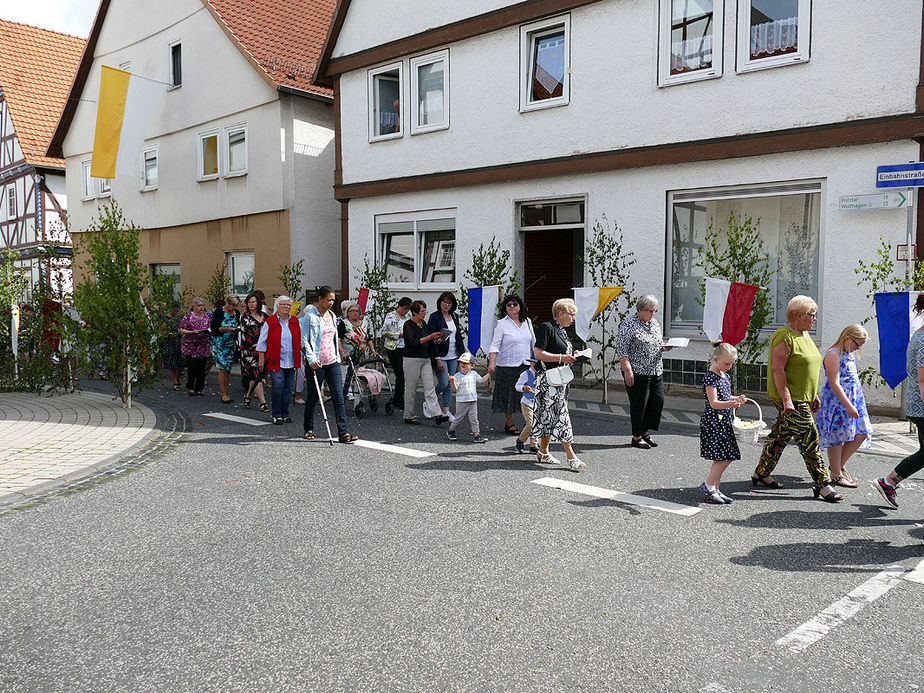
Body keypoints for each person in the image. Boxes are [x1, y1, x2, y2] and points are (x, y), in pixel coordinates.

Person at [752, 295, 842, 502]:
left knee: (780, 436)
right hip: (791, 398)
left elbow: (807, 367)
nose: (814, 319)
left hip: (804, 396)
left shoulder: (805, 334)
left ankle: (761, 472)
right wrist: (786, 400)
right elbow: (777, 370)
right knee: (810, 438)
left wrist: (815, 394)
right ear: (798, 315)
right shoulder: (784, 336)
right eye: (812, 315)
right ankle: (823, 484)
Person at [875, 294, 924, 509]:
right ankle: (888, 482)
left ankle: (889, 482)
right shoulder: (922, 342)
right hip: (921, 405)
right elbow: (923, 380)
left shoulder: (919, 335)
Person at [532, 298, 585, 471]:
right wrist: (562, 357)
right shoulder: (547, 327)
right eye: (572, 314)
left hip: (559, 381)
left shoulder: (561, 330)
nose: (574, 318)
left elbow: (559, 351)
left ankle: (543, 451)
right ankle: (571, 456)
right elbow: (538, 353)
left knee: (550, 417)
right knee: (562, 417)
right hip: (549, 382)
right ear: (560, 314)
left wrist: (574, 354)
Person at [817, 324, 873, 488]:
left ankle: (838, 466)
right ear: (847, 338)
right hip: (838, 401)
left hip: (854, 400)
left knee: (862, 431)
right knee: (837, 436)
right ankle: (836, 473)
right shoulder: (834, 354)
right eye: (857, 344)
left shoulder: (848, 353)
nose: (858, 348)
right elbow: (835, 383)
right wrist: (848, 405)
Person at [302, 286, 358, 443]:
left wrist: (338, 353)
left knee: (338, 396)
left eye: (333, 300)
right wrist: (311, 359)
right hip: (317, 362)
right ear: (320, 299)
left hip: (332, 361)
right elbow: (305, 339)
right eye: (329, 300)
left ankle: (343, 432)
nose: (331, 302)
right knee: (313, 396)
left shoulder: (332, 315)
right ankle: (309, 428)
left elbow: (335, 338)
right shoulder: (310, 316)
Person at [616, 294, 672, 449]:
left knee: (657, 401)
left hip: (656, 369)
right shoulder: (629, 324)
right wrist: (628, 370)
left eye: (655, 311)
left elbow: (657, 342)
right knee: (639, 405)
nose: (653, 314)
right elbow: (622, 349)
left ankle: (645, 432)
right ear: (639, 309)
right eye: (650, 311)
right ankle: (636, 436)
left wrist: (665, 347)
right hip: (637, 371)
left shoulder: (654, 323)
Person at [699, 342, 747, 504]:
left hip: (722, 421)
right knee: (725, 456)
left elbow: (725, 398)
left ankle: (716, 489)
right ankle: (709, 485)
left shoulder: (724, 376)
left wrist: (736, 399)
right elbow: (714, 403)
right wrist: (731, 404)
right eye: (727, 363)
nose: (729, 366)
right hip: (713, 421)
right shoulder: (710, 377)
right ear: (715, 359)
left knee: (721, 456)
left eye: (732, 363)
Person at [488, 294, 535, 435]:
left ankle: (530, 423)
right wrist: (492, 363)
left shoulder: (527, 321)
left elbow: (533, 342)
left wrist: (537, 360)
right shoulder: (502, 323)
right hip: (507, 365)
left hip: (526, 364)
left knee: (528, 394)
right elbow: (494, 346)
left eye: (515, 304)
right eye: (509, 305)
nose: (512, 307)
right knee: (508, 396)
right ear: (505, 308)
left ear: (520, 306)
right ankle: (509, 423)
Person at [402, 300, 447, 425]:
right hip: (411, 359)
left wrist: (437, 340)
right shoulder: (408, 325)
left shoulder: (424, 324)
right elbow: (412, 342)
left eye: (425, 310)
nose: (424, 313)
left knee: (430, 387)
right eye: (422, 311)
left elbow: (428, 342)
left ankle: (437, 414)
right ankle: (408, 415)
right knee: (411, 388)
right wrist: (430, 337)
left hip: (425, 358)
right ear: (415, 312)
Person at [257, 295, 301, 424]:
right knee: (278, 386)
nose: (286, 307)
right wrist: (261, 358)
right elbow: (262, 341)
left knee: (288, 388)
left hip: (291, 360)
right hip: (275, 360)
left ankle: (285, 413)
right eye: (283, 304)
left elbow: (299, 341)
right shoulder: (270, 322)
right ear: (277, 306)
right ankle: (276, 414)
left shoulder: (294, 321)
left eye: (288, 305)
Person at [428, 291, 465, 420]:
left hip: (453, 354)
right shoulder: (434, 317)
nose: (446, 304)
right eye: (444, 302)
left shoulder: (455, 316)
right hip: (440, 355)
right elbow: (432, 340)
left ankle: (446, 411)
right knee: (443, 383)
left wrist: (463, 354)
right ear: (440, 302)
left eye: (449, 302)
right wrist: (437, 358)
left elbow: (458, 336)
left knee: (450, 383)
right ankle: (429, 402)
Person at [446, 352, 490, 443]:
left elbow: (482, 380)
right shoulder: (457, 376)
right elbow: (455, 389)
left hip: (473, 401)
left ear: (472, 365)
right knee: (458, 418)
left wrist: (489, 373)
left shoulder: (473, 374)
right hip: (462, 401)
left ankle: (477, 435)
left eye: (466, 363)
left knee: (474, 419)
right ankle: (451, 430)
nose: (463, 364)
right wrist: (452, 381)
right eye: (461, 362)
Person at [339, 300, 375, 403]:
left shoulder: (364, 323)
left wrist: (373, 350)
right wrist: (341, 352)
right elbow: (339, 339)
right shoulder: (344, 323)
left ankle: (358, 403)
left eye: (357, 311)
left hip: (361, 356)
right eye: (352, 311)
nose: (355, 313)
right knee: (346, 379)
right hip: (348, 356)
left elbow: (368, 338)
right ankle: (342, 398)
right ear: (348, 313)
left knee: (360, 379)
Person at [239, 292, 268, 412]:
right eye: (249, 302)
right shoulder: (244, 317)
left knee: (255, 376)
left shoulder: (265, 316)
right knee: (256, 374)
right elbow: (246, 335)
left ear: (258, 303)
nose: (251, 304)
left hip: (263, 350)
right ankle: (263, 402)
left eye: (253, 302)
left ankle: (247, 396)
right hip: (249, 351)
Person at [382, 297, 412, 410]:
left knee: (404, 374)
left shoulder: (408, 317)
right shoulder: (391, 316)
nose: (406, 311)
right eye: (405, 308)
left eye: (408, 309)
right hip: (393, 348)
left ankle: (398, 397)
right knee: (400, 374)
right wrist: (398, 335)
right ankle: (398, 400)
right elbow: (384, 331)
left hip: (405, 347)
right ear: (399, 306)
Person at [178, 297, 211, 396]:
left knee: (202, 368)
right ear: (194, 306)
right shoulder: (188, 317)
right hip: (191, 346)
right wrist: (191, 332)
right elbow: (181, 329)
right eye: (199, 305)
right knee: (193, 367)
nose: (201, 308)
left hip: (203, 345)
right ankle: (191, 387)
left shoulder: (206, 318)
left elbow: (209, 328)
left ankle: (199, 388)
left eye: (202, 305)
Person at [211, 295, 240, 404]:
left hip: (230, 344)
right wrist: (227, 329)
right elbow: (214, 328)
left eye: (235, 306)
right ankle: (223, 393)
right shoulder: (219, 312)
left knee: (228, 369)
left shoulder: (236, 313)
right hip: (219, 343)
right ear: (227, 303)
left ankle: (226, 391)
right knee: (222, 368)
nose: (233, 308)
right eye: (232, 305)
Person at [514, 358, 539, 454]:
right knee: (530, 423)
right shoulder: (526, 374)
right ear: (531, 363)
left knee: (537, 424)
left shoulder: (542, 373)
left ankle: (534, 444)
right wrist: (524, 388)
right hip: (527, 402)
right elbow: (517, 385)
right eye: (534, 363)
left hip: (538, 402)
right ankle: (520, 441)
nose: (536, 365)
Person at [161, 301, 184, 391]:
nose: (175, 313)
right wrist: (173, 334)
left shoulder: (181, 318)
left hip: (180, 342)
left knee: (182, 363)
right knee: (172, 363)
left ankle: (177, 378)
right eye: (174, 311)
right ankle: (175, 382)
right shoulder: (166, 318)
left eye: (177, 311)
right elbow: (163, 332)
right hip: (169, 343)